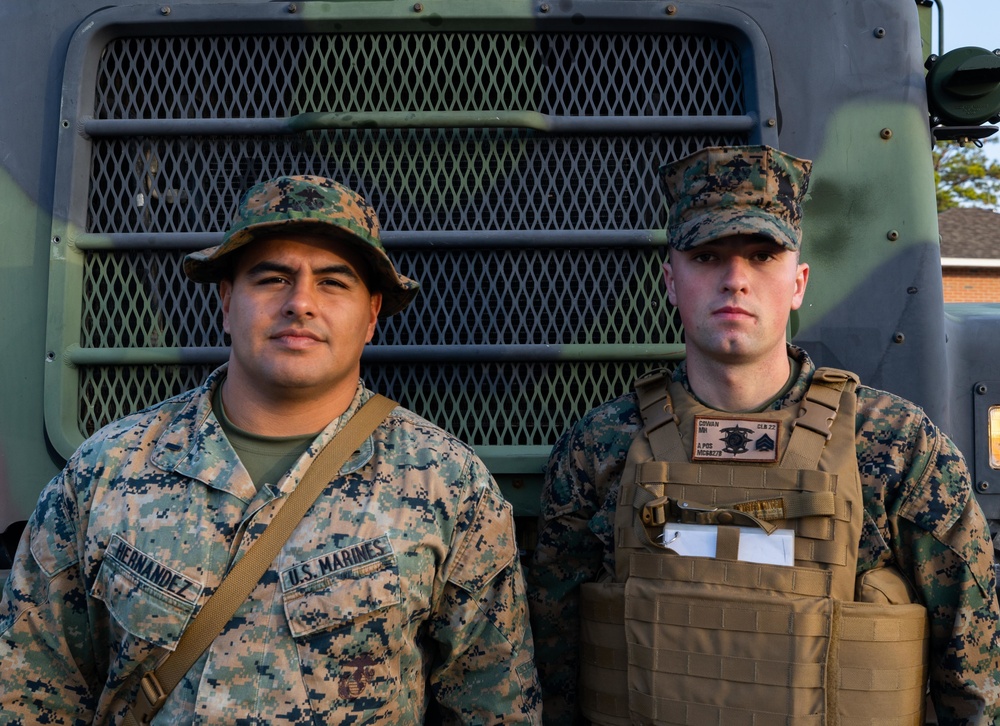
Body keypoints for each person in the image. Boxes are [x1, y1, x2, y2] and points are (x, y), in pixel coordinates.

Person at [0, 175, 542, 724]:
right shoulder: (107, 469)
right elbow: (33, 688)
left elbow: (492, 701)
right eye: (273, 278)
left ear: (372, 314)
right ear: (228, 298)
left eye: (333, 282)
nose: (300, 303)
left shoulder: (447, 483)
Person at [528, 146, 1000, 725]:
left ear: (798, 281)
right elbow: (553, 658)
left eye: (761, 255)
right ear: (672, 282)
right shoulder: (602, 444)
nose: (735, 280)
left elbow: (971, 666)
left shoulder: (895, 443)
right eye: (706, 257)